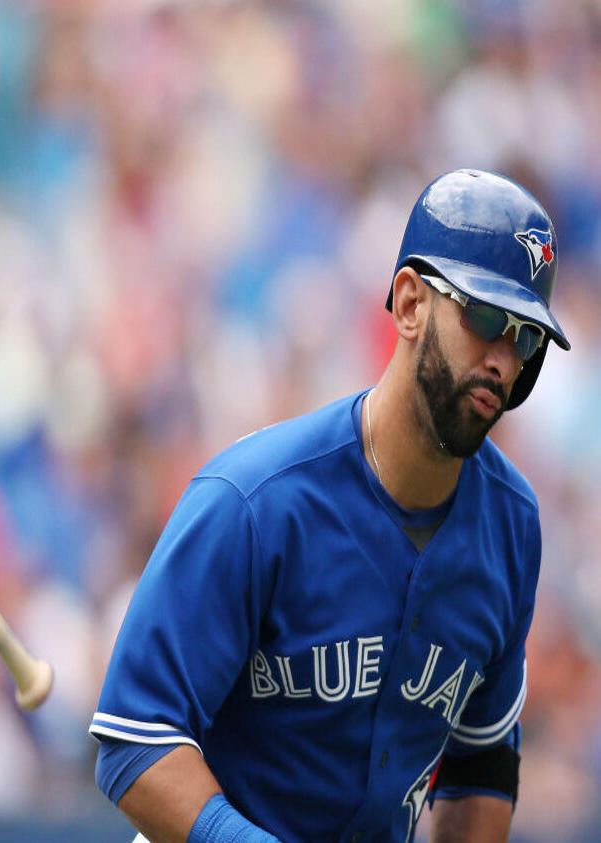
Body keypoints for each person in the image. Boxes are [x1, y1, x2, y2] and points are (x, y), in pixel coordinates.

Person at [89, 169, 571, 843]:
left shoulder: (511, 527)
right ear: (408, 303)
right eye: (484, 316)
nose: (502, 358)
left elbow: (480, 763)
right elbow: (135, 742)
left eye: (524, 337)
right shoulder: (254, 500)